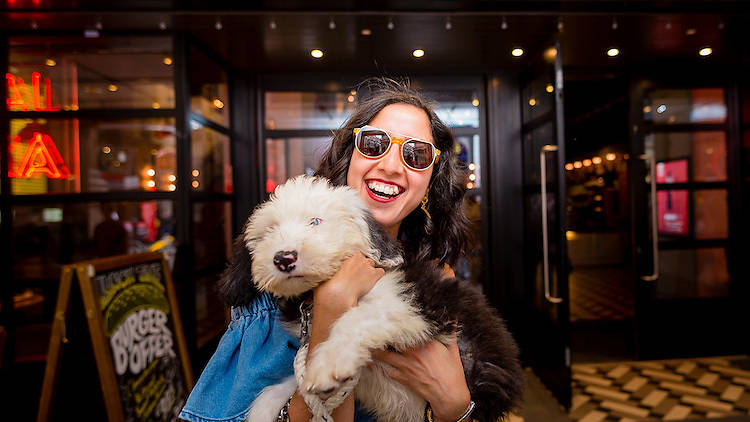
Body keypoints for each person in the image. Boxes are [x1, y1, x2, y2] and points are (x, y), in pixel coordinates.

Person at [180, 79, 472, 422]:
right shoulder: (275, 292)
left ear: (428, 180)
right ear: (350, 157)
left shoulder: (434, 278)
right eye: (374, 144)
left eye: (415, 154)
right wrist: (332, 308)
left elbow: (460, 397)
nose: (392, 167)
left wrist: (455, 406)